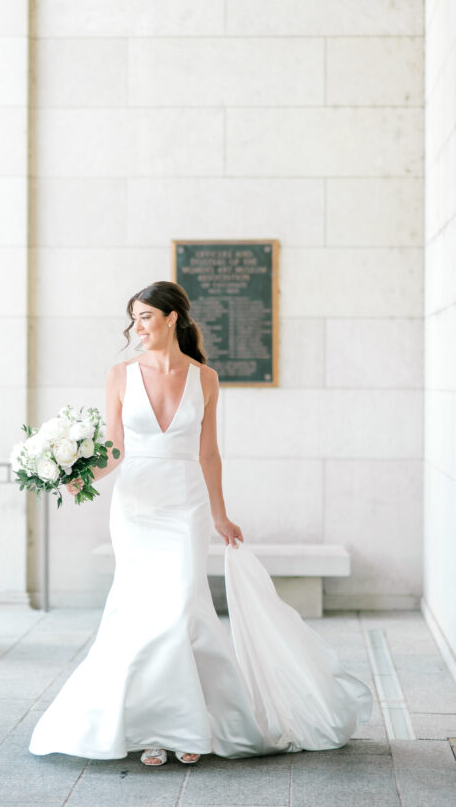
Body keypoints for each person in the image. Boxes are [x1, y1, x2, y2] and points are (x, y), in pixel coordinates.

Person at [28, 281, 372, 766]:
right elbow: (115, 448)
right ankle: (152, 728)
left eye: (146, 316)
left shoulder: (205, 378)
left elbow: (209, 453)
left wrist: (220, 514)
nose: (137, 327)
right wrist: (76, 473)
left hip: (184, 506)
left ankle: (187, 726)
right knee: (140, 612)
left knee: (182, 610)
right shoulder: (120, 375)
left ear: (172, 319)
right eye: (134, 318)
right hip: (136, 508)